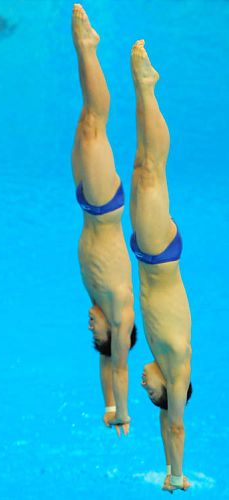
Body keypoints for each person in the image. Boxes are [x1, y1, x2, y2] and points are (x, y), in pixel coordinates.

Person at [129, 40, 192, 491]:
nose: (144, 386)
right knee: (152, 169)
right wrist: (176, 475)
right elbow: (174, 426)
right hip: (159, 253)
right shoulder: (176, 366)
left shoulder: (160, 355)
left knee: (142, 166)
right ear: (167, 391)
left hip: (151, 252)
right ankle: (147, 87)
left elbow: (163, 427)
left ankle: (143, 90)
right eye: (149, 393)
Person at [71, 4, 136, 437]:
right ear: (110, 334)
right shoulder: (120, 313)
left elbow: (105, 368)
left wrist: (108, 405)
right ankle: (88, 47)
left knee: (84, 121)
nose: (88, 326)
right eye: (96, 334)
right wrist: (125, 412)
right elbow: (118, 366)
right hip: (104, 205)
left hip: (85, 201)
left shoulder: (99, 306)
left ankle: (86, 50)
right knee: (96, 123)